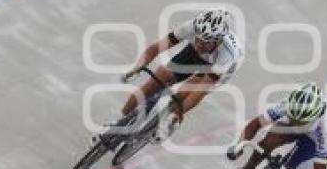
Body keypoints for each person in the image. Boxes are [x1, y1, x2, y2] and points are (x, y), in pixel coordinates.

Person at [97, 9, 244, 144]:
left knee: (184, 94)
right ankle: (118, 123)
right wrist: (136, 68)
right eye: (198, 38)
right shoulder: (192, 27)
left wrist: (179, 112)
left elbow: (198, 92)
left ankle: (171, 121)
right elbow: (155, 48)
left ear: (217, 40)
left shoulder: (227, 56)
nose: (199, 44)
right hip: (193, 55)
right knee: (155, 80)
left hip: (214, 68)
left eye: (205, 42)